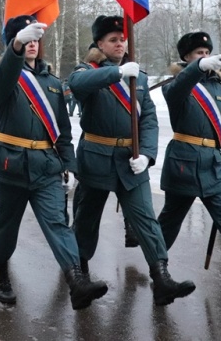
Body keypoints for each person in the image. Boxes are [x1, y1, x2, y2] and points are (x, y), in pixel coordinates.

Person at [70, 15, 197, 306]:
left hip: (131, 160)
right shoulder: (88, 70)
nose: (120, 43)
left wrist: (148, 155)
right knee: (86, 221)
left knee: (146, 220)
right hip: (97, 159)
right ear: (99, 44)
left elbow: (149, 118)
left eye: (123, 38)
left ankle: (162, 278)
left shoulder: (137, 75)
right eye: (113, 40)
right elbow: (77, 84)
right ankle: (80, 278)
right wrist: (115, 74)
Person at [0, 15, 107, 310]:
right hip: (11, 165)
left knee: (58, 223)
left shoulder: (52, 82)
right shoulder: (2, 77)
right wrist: (15, 44)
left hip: (46, 165)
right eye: (25, 38)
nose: (31, 43)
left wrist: (69, 163)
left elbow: (63, 130)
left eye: (35, 38)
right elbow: (4, 77)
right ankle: (1, 273)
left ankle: (76, 282)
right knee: (7, 226)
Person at [157, 32, 221, 274]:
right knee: (170, 223)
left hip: (213, 164)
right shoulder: (175, 84)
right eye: (198, 54)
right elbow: (181, 85)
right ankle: (158, 268)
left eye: (207, 53)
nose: (205, 56)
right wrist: (199, 68)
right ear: (186, 57)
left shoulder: (217, 85)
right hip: (184, 163)